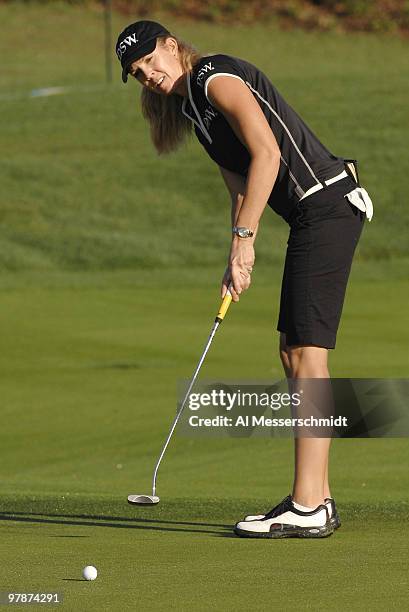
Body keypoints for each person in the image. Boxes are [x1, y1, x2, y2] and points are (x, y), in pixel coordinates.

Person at [115, 20, 373, 538]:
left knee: (306, 355)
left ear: (172, 45)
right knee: (292, 352)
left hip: (325, 206)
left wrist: (246, 238)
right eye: (136, 71)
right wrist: (237, 252)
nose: (147, 73)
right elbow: (238, 179)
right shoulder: (194, 107)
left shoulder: (213, 75)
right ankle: (317, 497)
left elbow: (269, 154)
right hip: (314, 215)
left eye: (149, 59)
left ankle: (306, 507)